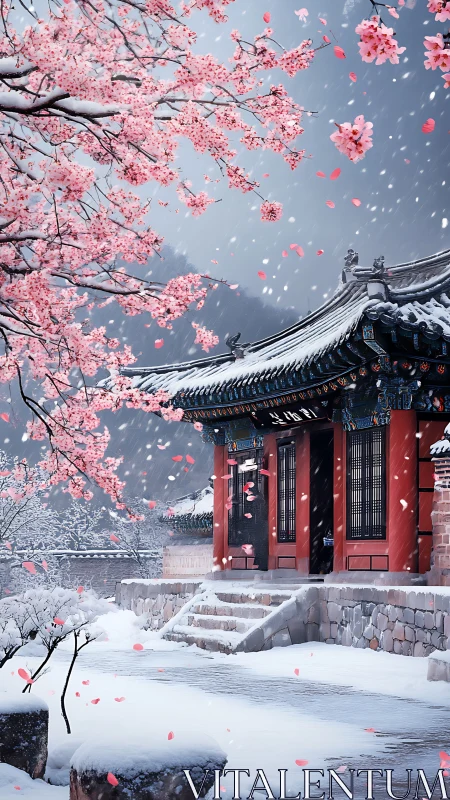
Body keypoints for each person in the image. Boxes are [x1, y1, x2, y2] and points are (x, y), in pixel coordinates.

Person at [248, 484, 269, 571]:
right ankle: (261, 564)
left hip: (260, 526)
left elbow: (258, 514)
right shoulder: (260, 500)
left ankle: (262, 564)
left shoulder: (257, 500)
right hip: (260, 526)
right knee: (260, 546)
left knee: (260, 546)